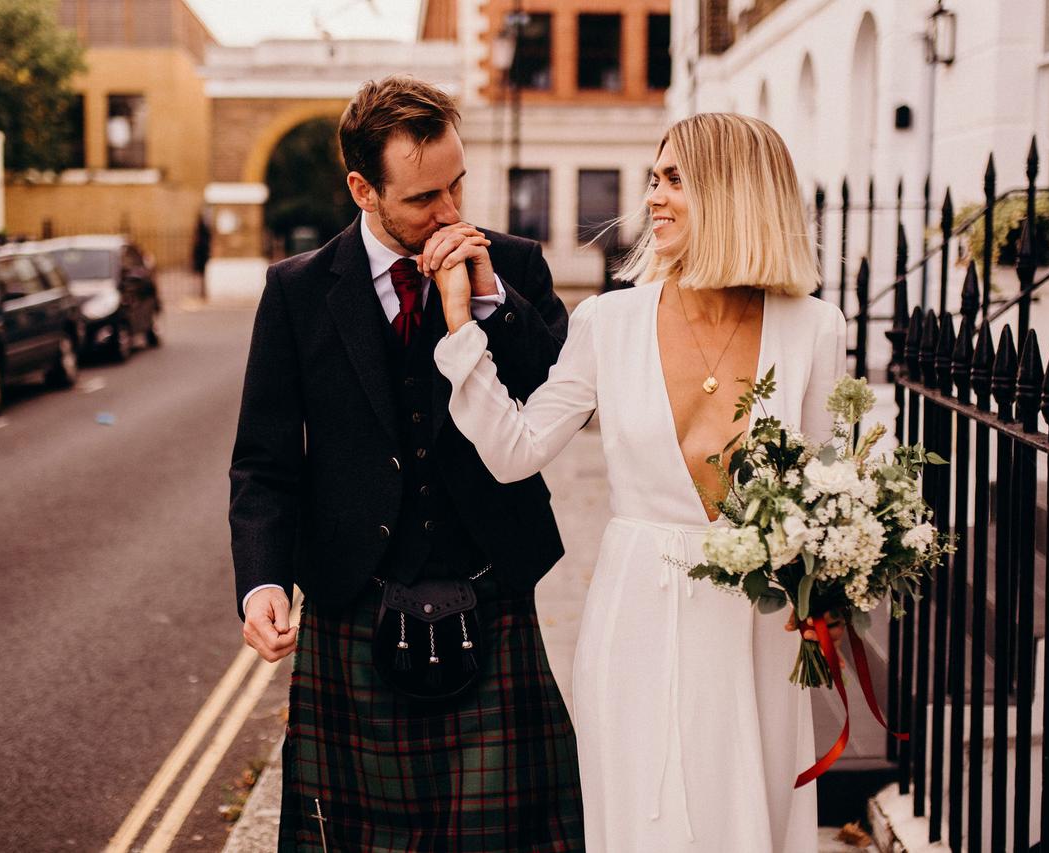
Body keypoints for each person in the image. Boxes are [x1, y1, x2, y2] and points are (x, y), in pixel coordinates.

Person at [432, 113, 846, 851]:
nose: (652, 196)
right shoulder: (609, 321)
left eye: (675, 179)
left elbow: (825, 490)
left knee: (745, 819)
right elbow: (515, 451)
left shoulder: (814, 327)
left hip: (757, 624)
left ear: (734, 192)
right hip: (636, 618)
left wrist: (833, 586)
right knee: (638, 822)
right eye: (654, 178)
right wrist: (463, 330)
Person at [229, 75, 584, 852]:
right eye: (425, 197)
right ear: (363, 189)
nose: (451, 213)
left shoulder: (513, 267)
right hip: (354, 602)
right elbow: (263, 462)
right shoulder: (296, 291)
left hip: (490, 594)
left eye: (458, 185)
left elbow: (564, 394)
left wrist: (489, 300)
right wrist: (262, 580)